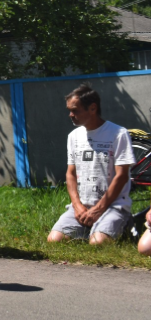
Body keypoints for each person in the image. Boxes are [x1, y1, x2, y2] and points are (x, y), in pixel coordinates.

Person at [47, 85, 135, 245]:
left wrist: (98, 209)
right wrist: (77, 206)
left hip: (113, 206)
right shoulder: (73, 136)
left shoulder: (118, 134)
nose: (70, 115)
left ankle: (124, 224)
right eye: (69, 110)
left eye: (75, 110)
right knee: (54, 240)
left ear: (93, 108)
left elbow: (122, 176)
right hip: (82, 207)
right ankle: (89, 228)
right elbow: (71, 174)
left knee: (97, 243)